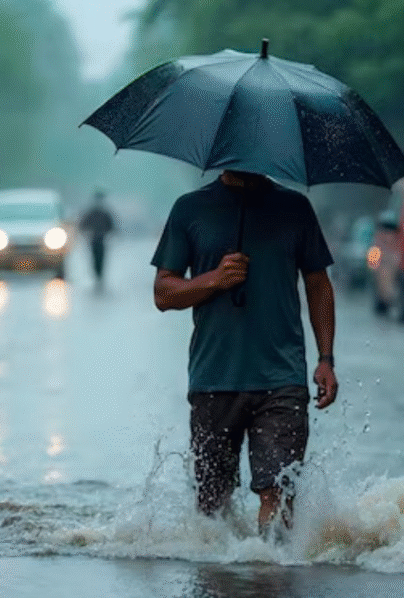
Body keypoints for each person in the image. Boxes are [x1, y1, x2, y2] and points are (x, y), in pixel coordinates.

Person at [151, 169, 339, 537]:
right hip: (213, 378)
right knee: (212, 503)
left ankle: (270, 579)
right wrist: (214, 280)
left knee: (278, 492)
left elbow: (318, 283)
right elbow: (162, 293)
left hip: (282, 379)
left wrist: (326, 359)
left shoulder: (295, 208)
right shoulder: (189, 209)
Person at [78, 190, 116, 288]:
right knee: (95, 259)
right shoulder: (91, 213)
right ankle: (97, 275)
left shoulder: (105, 214)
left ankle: (99, 276)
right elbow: (82, 225)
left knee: (101, 259)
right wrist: (88, 233)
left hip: (101, 240)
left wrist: (106, 233)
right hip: (93, 240)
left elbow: (112, 227)